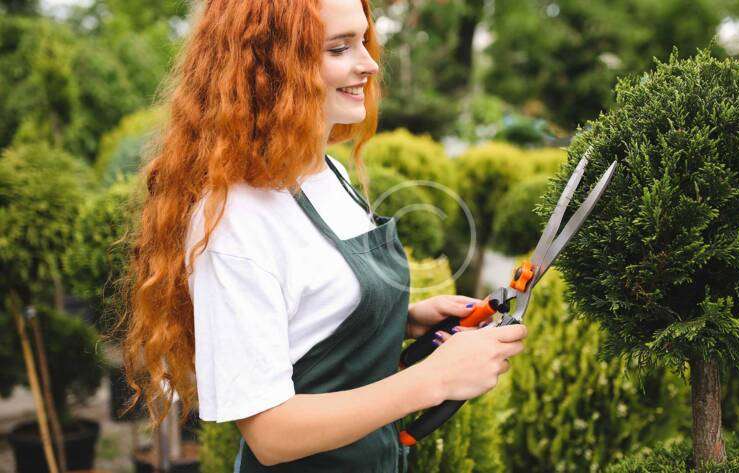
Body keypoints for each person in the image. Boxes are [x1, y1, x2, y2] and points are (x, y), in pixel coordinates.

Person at [117, 0, 528, 471]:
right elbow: (271, 434)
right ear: (271, 68)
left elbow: (309, 324)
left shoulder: (327, 173)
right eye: (339, 48)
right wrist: (434, 379)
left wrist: (399, 322)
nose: (369, 64)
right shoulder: (235, 222)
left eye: (363, 40)